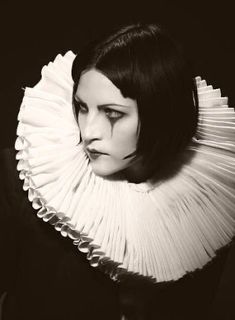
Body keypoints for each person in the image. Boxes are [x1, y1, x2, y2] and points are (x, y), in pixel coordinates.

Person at [0, 23, 235, 320]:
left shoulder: (204, 205)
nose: (89, 132)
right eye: (82, 107)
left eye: (112, 113)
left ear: (161, 115)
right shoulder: (21, 180)